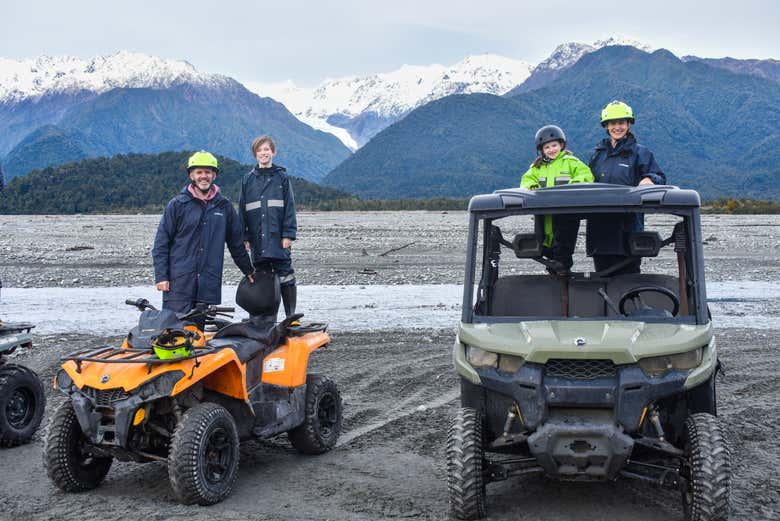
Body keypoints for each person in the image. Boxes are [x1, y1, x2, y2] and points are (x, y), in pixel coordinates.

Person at [152, 151, 254, 321]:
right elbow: (161, 244)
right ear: (191, 175)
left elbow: (236, 244)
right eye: (199, 172)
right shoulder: (177, 205)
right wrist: (161, 276)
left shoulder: (224, 207)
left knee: (197, 331)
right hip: (179, 283)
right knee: (174, 330)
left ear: (214, 175)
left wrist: (248, 270)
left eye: (208, 172)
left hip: (207, 283)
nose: (203, 176)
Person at [587, 101, 666, 274]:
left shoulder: (641, 153)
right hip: (600, 229)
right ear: (606, 125)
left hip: (629, 227)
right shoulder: (596, 155)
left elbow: (659, 177)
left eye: (621, 122)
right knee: (602, 277)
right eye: (613, 123)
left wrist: (649, 179)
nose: (617, 127)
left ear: (629, 124)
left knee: (630, 278)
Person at [520, 124, 593, 272]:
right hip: (544, 215)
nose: (551, 149)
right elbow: (526, 180)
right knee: (547, 248)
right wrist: (531, 186)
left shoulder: (571, 162)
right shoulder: (537, 166)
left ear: (561, 145)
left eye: (554, 145)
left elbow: (586, 176)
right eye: (547, 147)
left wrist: (574, 185)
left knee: (563, 250)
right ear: (542, 150)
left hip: (566, 214)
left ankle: (564, 275)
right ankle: (553, 274)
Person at [239, 136, 298, 319]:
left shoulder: (282, 177)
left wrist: (288, 234)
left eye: (266, 149)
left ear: (273, 152)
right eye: (259, 150)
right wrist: (244, 237)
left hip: (278, 237)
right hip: (257, 238)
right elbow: (242, 210)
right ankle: (264, 319)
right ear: (255, 154)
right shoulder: (248, 180)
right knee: (261, 276)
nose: (263, 153)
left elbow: (290, 207)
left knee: (285, 274)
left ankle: (290, 317)